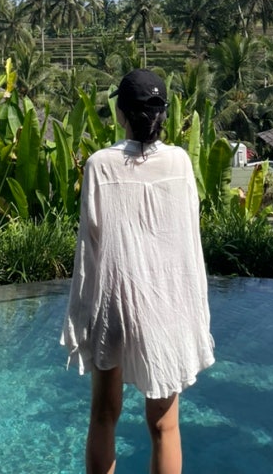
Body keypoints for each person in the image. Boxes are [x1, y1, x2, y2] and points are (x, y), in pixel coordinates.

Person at [61, 69, 214, 474]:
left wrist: (81, 317)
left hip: (115, 302)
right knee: (165, 425)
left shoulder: (100, 165)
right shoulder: (180, 162)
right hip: (166, 305)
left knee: (103, 415)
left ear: (120, 113)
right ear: (163, 114)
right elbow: (188, 241)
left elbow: (90, 250)